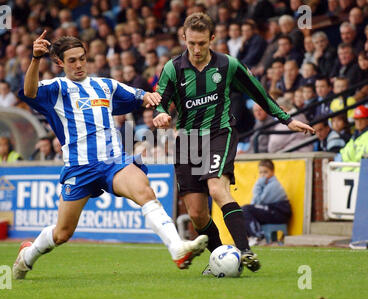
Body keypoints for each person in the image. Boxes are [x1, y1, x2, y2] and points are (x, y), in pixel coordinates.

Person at [13, 31, 208, 280]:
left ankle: (177, 248)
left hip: (113, 162)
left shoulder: (105, 85)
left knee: (145, 192)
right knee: (62, 233)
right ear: (60, 63)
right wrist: (35, 59)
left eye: (82, 58)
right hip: (79, 167)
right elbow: (29, 91)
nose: (79, 64)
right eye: (72, 60)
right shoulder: (56, 88)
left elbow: (137, 95)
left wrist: (148, 96)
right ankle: (27, 256)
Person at [153, 13, 314, 274]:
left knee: (217, 188)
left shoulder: (228, 65)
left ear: (212, 39)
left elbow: (258, 92)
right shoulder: (173, 68)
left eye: (202, 43)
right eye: (191, 43)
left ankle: (245, 249)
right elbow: (160, 99)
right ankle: (222, 258)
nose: (196, 49)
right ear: (184, 38)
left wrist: (287, 119)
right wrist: (159, 112)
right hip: (188, 141)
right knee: (197, 214)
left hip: (220, 133)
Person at [242, 159, 292, 244]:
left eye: (265, 172)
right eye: (260, 172)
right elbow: (255, 202)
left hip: (279, 212)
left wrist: (258, 184)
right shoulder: (264, 184)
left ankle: (257, 236)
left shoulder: (274, 185)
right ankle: (253, 236)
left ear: (272, 172)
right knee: (242, 210)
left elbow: (258, 202)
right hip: (271, 210)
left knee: (246, 209)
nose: (262, 175)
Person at [338, 105, 368, 171]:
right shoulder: (354, 136)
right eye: (357, 119)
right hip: (348, 172)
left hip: (361, 174)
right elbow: (344, 154)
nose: (359, 122)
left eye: (362, 119)